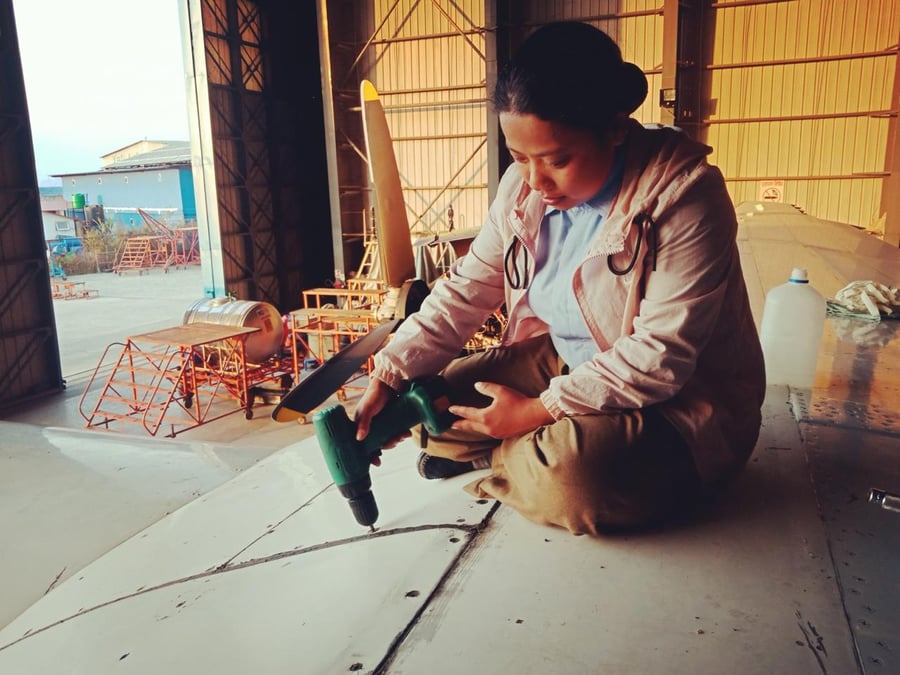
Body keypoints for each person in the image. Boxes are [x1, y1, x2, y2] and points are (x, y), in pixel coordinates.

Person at [354, 21, 765, 536]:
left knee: (573, 480)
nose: (535, 181)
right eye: (519, 157)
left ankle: (519, 459)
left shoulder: (685, 198)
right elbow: (465, 289)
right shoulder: (521, 190)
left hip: (681, 402)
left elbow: (660, 358)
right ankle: (523, 456)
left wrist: (536, 411)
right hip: (574, 359)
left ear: (615, 129)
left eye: (557, 160)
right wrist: (391, 371)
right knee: (429, 402)